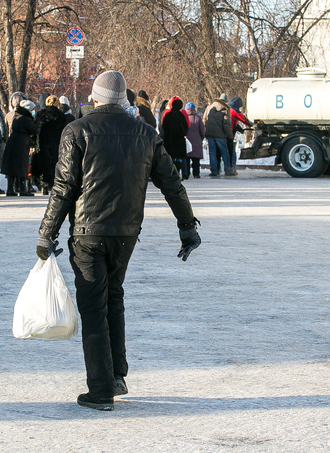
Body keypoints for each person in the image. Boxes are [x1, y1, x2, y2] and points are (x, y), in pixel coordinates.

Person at [36, 70, 201, 411]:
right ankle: (116, 375)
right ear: (123, 99)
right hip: (126, 234)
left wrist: (46, 232)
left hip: (87, 234)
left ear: (94, 98)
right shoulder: (144, 133)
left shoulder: (76, 130)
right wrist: (187, 225)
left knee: (95, 308)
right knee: (113, 297)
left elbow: (64, 188)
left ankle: (100, 390)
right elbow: (171, 182)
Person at [2, 95, 38, 196]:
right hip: (21, 144)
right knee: (22, 165)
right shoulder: (26, 119)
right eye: (32, 110)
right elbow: (35, 129)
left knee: (12, 167)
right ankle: (23, 189)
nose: (33, 111)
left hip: (13, 142)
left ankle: (10, 189)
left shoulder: (17, 116)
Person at [34, 94, 67, 195]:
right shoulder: (61, 115)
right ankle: (53, 184)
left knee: (42, 163)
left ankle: (43, 185)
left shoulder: (40, 114)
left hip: (42, 143)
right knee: (54, 163)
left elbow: (36, 129)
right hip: (56, 143)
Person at [203, 93, 233, 177]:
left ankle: (214, 171)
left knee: (212, 153)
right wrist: (230, 135)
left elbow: (204, 120)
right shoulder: (225, 109)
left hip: (210, 134)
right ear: (226, 102)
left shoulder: (209, 107)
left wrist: (205, 131)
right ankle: (227, 170)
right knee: (224, 152)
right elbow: (226, 125)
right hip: (220, 135)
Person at [160, 97, 189, 180]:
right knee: (179, 158)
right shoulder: (181, 116)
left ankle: (171, 174)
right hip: (179, 140)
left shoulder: (168, 115)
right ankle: (177, 173)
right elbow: (185, 129)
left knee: (170, 157)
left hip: (169, 139)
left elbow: (164, 126)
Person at [227, 97, 252, 175]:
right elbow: (244, 120)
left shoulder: (228, 109)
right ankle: (232, 169)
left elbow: (231, 120)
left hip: (224, 133)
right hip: (230, 134)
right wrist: (252, 124)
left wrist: (237, 126)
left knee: (225, 152)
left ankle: (224, 168)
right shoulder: (235, 111)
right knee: (232, 152)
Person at [184, 103, 205, 178]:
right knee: (196, 159)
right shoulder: (198, 117)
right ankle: (196, 174)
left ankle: (186, 173)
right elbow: (202, 130)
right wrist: (201, 138)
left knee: (186, 159)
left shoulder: (183, 117)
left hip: (186, 140)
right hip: (196, 141)